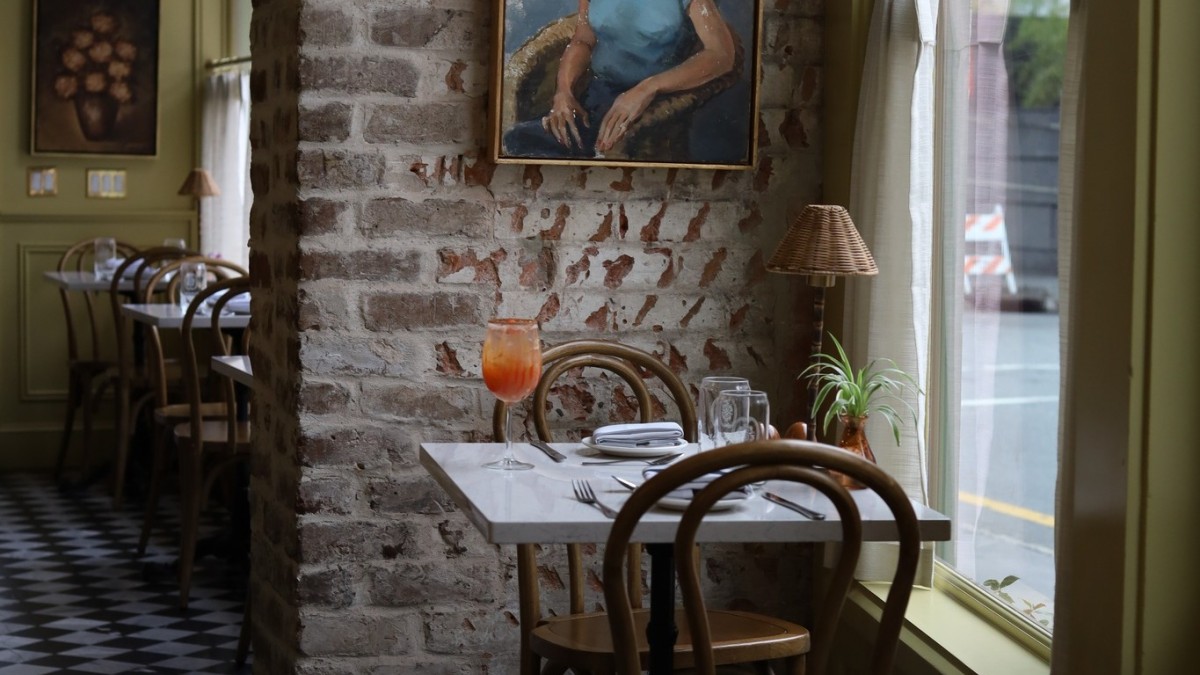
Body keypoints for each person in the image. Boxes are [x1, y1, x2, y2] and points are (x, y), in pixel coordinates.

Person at [503, 0, 736, 159]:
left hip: (657, 103)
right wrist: (563, 91)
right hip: (597, 96)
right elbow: (583, 40)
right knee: (517, 139)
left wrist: (648, 88)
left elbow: (721, 55)